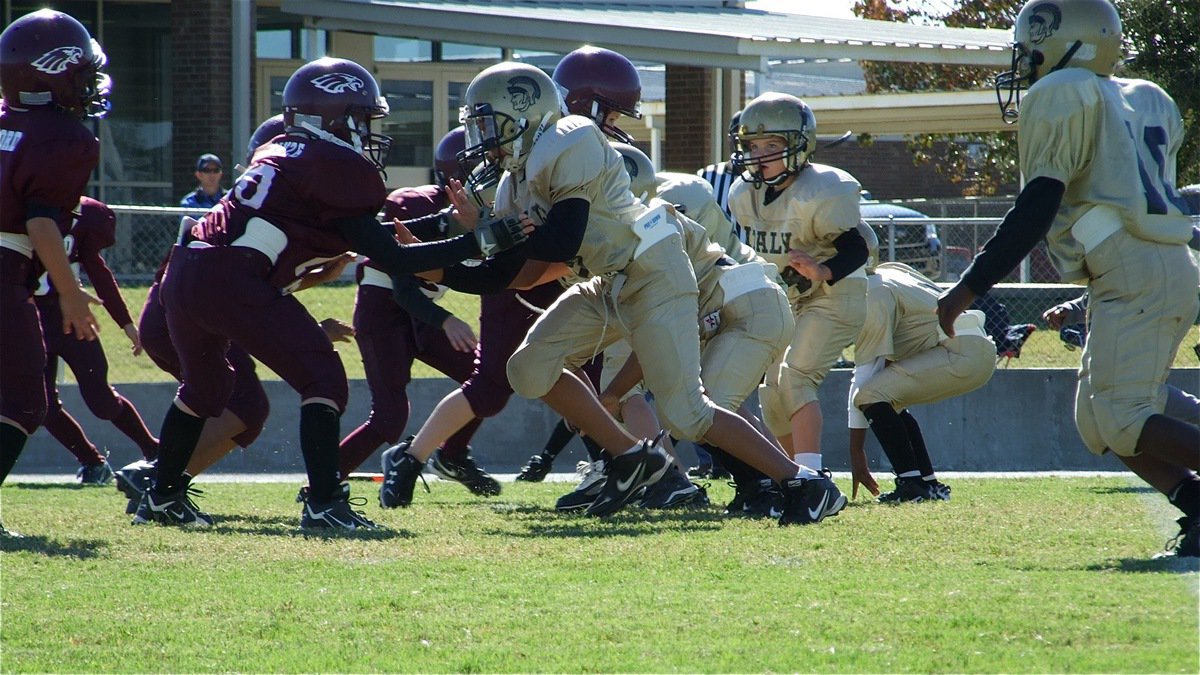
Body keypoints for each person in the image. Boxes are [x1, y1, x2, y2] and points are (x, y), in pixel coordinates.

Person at [391, 61, 844, 523]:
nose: (481, 137)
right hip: (608, 279)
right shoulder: (515, 183)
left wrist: (464, 246)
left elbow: (560, 240)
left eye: (488, 123)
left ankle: (803, 483)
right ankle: (629, 457)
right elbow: (515, 276)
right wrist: (439, 273)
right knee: (529, 367)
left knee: (687, 414)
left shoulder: (571, 137)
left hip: (653, 270)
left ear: (523, 113)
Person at [133, 56, 529, 531]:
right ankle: (323, 503)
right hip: (233, 277)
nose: (369, 132)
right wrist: (484, 240)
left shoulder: (282, 151)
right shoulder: (337, 166)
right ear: (336, 117)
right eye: (363, 119)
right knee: (323, 378)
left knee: (205, 387)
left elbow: (367, 233)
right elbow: (393, 256)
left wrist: (450, 226)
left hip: (188, 271)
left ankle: (160, 496)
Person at [937, 0, 1200, 558]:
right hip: (1150, 266)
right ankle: (1197, 506)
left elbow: (1036, 208)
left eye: (1032, 51)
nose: (1025, 65)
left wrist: (968, 288)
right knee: (1098, 422)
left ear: (1068, 44)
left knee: (1124, 418)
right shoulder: (1144, 97)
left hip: (1136, 268)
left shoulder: (1065, 91)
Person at [337, 126, 500, 495]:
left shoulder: (489, 216)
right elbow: (405, 291)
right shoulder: (414, 205)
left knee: (488, 381)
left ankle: (452, 455)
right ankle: (323, 481)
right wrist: (448, 319)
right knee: (390, 417)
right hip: (386, 312)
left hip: (423, 313)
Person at [0, 9, 110, 537]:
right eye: (81, 71)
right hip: (5, 267)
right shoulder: (64, 137)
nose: (88, 83)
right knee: (25, 398)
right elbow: (41, 223)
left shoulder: (6, 121)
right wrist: (69, 294)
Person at [728, 92, 870, 478]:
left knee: (796, 376)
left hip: (836, 293)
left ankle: (811, 476)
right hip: (789, 297)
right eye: (753, 145)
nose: (760, 155)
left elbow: (858, 246)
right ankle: (791, 476)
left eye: (771, 145)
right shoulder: (745, 193)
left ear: (797, 144)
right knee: (771, 393)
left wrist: (823, 271)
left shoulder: (823, 188)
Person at [847, 262, 996, 503]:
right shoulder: (892, 271)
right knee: (888, 401)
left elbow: (864, 377)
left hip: (958, 351)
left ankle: (911, 485)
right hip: (975, 348)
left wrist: (856, 453)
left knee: (869, 396)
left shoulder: (871, 292)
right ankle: (927, 484)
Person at [36, 197, 160, 484]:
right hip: (27, 319)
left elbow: (98, 271)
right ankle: (92, 462)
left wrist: (126, 324)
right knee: (40, 406)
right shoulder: (15, 208)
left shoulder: (82, 214)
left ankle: (155, 451)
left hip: (71, 318)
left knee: (101, 400)